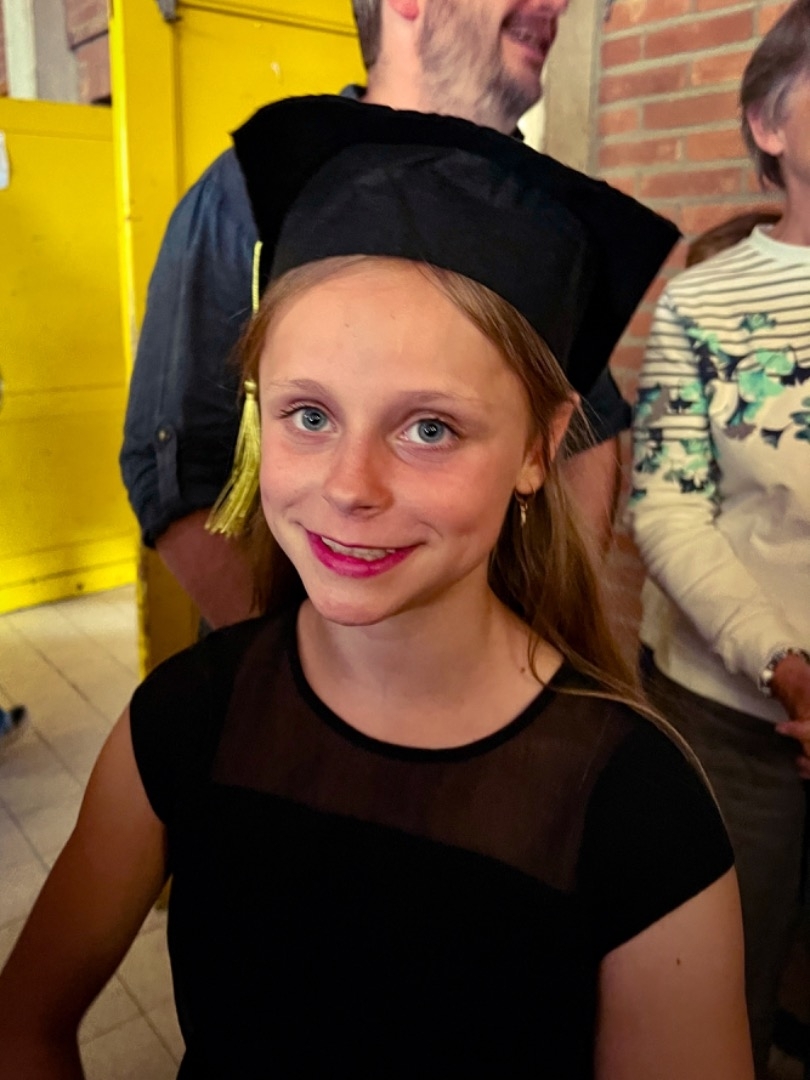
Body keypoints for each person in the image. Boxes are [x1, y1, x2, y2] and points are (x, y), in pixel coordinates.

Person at [0, 97, 751, 1078]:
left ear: (539, 444)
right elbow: (25, 1023)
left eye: (429, 428)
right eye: (309, 415)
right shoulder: (186, 720)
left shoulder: (636, 810)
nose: (352, 487)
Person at [120, 0, 633, 630]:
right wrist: (286, 672)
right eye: (311, 416)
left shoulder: (543, 214)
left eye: (431, 428)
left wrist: (548, 629)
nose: (557, 3)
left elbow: (588, 429)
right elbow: (177, 468)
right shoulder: (254, 195)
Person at [629, 2, 810, 1074]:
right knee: (718, 991)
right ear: (768, 124)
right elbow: (665, 505)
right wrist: (786, 666)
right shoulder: (701, 303)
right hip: (736, 715)